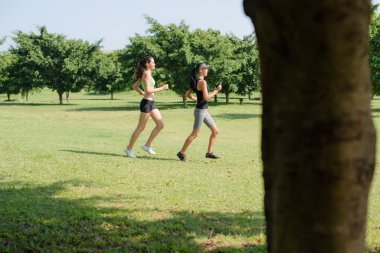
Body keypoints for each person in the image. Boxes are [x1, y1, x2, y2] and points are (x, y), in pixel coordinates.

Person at [176, 63, 222, 161]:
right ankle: (181, 153)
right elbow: (206, 97)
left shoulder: (196, 81)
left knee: (215, 131)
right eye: (205, 68)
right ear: (200, 70)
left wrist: (197, 100)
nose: (207, 70)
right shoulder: (202, 82)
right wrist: (216, 90)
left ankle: (209, 153)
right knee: (195, 134)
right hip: (200, 111)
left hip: (203, 110)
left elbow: (187, 94)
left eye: (207, 68)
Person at [125, 56, 169, 158]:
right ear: (147, 64)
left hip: (151, 103)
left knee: (160, 124)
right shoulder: (146, 74)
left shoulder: (146, 74)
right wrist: (162, 88)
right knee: (140, 128)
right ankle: (128, 149)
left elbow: (135, 86)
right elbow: (149, 90)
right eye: (153, 62)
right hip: (146, 104)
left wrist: (142, 92)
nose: (154, 64)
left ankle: (147, 145)